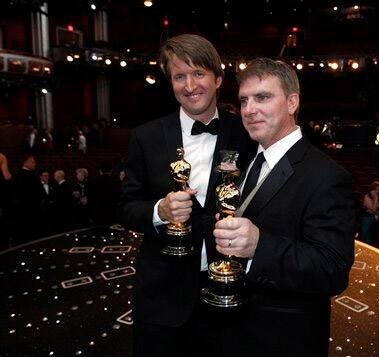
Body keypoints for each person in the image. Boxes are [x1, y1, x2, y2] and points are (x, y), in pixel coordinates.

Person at [119, 34, 255, 357]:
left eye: (199, 74)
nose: (190, 85)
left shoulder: (248, 134)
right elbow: (126, 207)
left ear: (218, 79)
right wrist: (159, 211)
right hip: (162, 300)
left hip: (228, 295)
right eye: (180, 76)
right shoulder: (146, 137)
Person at [213, 58, 354, 357]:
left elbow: (333, 269)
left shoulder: (326, 175)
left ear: (292, 103)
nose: (249, 110)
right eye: (244, 100)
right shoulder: (247, 160)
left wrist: (258, 246)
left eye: (262, 97)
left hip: (284, 341)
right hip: (233, 330)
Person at [361, 181, 379, 245]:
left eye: (378, 190)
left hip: (376, 220)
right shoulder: (367, 197)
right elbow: (373, 209)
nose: (377, 191)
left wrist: (377, 212)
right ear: (371, 189)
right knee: (366, 237)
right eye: (375, 189)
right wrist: (376, 199)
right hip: (368, 219)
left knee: (373, 238)